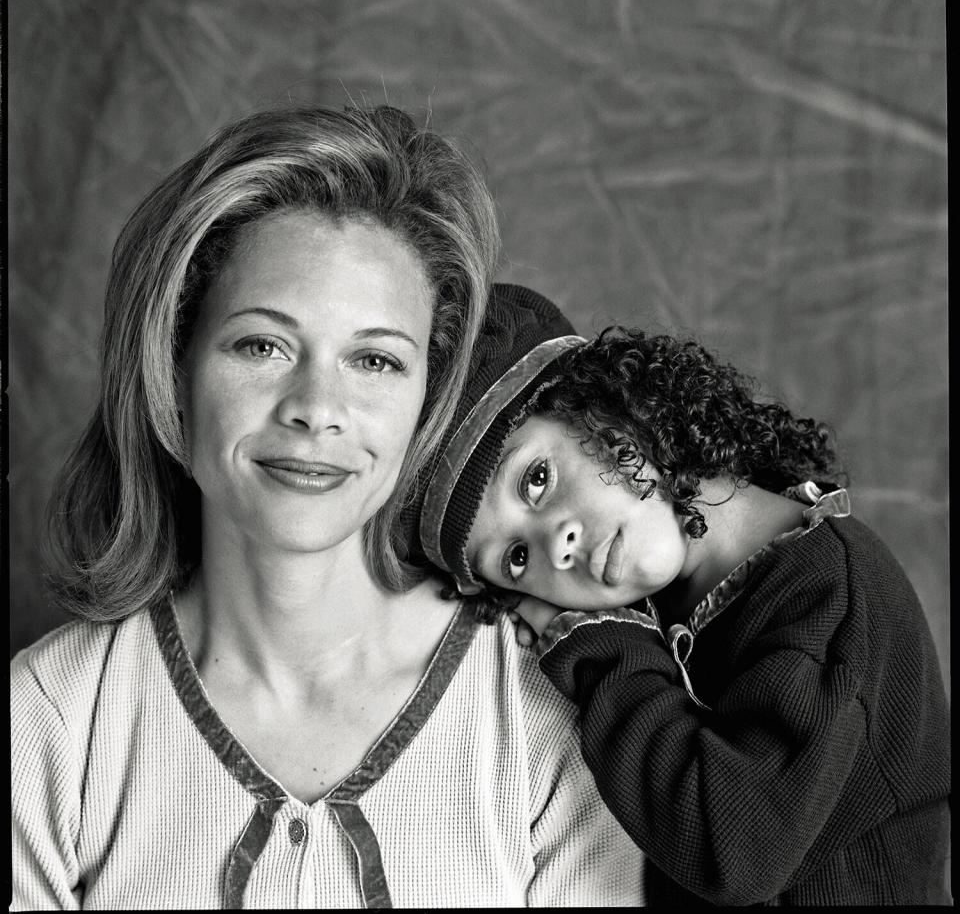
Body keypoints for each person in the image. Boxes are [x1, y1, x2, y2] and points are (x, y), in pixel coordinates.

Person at [10, 106, 644, 909]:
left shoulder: (547, 709)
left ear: (429, 398)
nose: (317, 407)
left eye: (375, 359)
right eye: (262, 345)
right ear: (173, 365)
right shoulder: (46, 724)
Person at [418, 323, 952, 906]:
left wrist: (597, 643)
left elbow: (732, 852)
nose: (558, 545)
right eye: (517, 558)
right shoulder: (671, 600)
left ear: (610, 410)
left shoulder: (828, 598)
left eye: (537, 479)